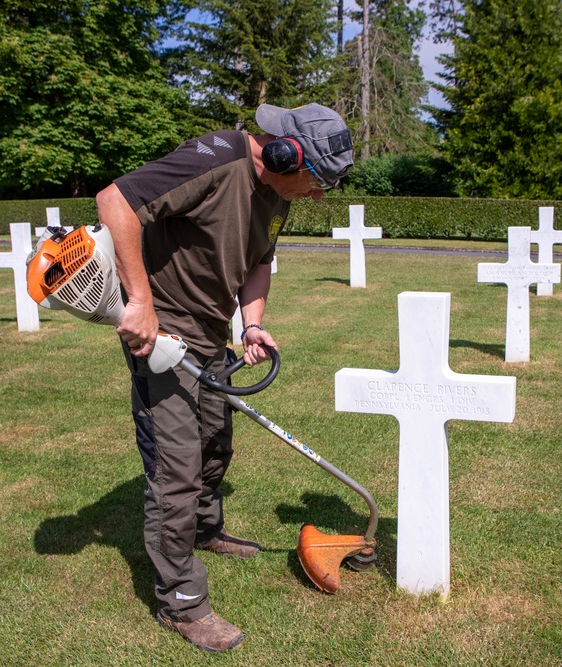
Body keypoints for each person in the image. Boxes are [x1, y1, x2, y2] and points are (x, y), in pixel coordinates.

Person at [94, 103, 354, 652]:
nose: (318, 196)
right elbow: (115, 200)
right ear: (289, 154)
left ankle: (205, 530)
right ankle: (182, 603)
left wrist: (252, 323)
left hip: (214, 334)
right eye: (317, 182)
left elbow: (259, 261)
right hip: (163, 333)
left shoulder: (277, 194)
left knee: (215, 443)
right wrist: (140, 302)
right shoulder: (216, 158)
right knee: (177, 465)